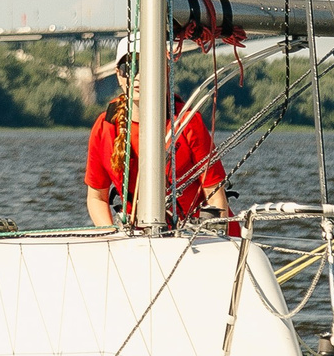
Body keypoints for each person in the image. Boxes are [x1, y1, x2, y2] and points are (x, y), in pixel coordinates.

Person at [84, 37, 228, 228]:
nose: (137, 76)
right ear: (118, 75)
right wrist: (111, 234)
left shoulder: (187, 122)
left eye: (147, 67)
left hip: (197, 237)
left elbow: (215, 195)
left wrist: (213, 236)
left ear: (164, 72)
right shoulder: (105, 127)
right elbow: (97, 198)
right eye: (129, 68)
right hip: (139, 238)